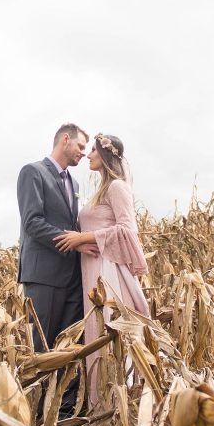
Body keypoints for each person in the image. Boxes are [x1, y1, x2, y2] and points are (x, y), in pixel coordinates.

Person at [54, 133, 149, 407]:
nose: (88, 154)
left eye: (93, 149)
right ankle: (101, 409)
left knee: (109, 329)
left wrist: (83, 238)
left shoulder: (117, 187)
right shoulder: (101, 189)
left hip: (107, 270)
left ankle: (121, 405)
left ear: (107, 154)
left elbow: (127, 230)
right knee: (95, 331)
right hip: (92, 269)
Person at [16, 123, 98, 418]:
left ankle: (62, 413)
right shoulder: (33, 172)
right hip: (42, 276)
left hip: (72, 277)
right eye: (80, 147)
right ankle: (35, 414)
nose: (83, 154)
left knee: (69, 344)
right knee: (42, 346)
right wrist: (74, 244)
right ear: (65, 140)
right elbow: (32, 223)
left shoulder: (74, 185)